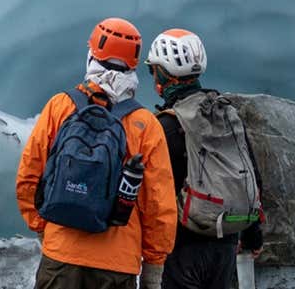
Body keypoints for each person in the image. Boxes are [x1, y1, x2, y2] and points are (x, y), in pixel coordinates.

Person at [16, 17, 177, 289]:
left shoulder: (61, 106)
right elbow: (158, 205)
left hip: (61, 257)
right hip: (118, 265)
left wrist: (45, 229)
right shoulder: (146, 124)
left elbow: (29, 176)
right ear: (133, 65)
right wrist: (153, 266)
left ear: (92, 54)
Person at [146, 28, 264, 289]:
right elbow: (252, 176)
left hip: (183, 248)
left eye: (153, 70)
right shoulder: (224, 112)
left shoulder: (169, 124)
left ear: (164, 74)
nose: (153, 77)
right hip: (226, 245)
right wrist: (253, 236)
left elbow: (158, 197)